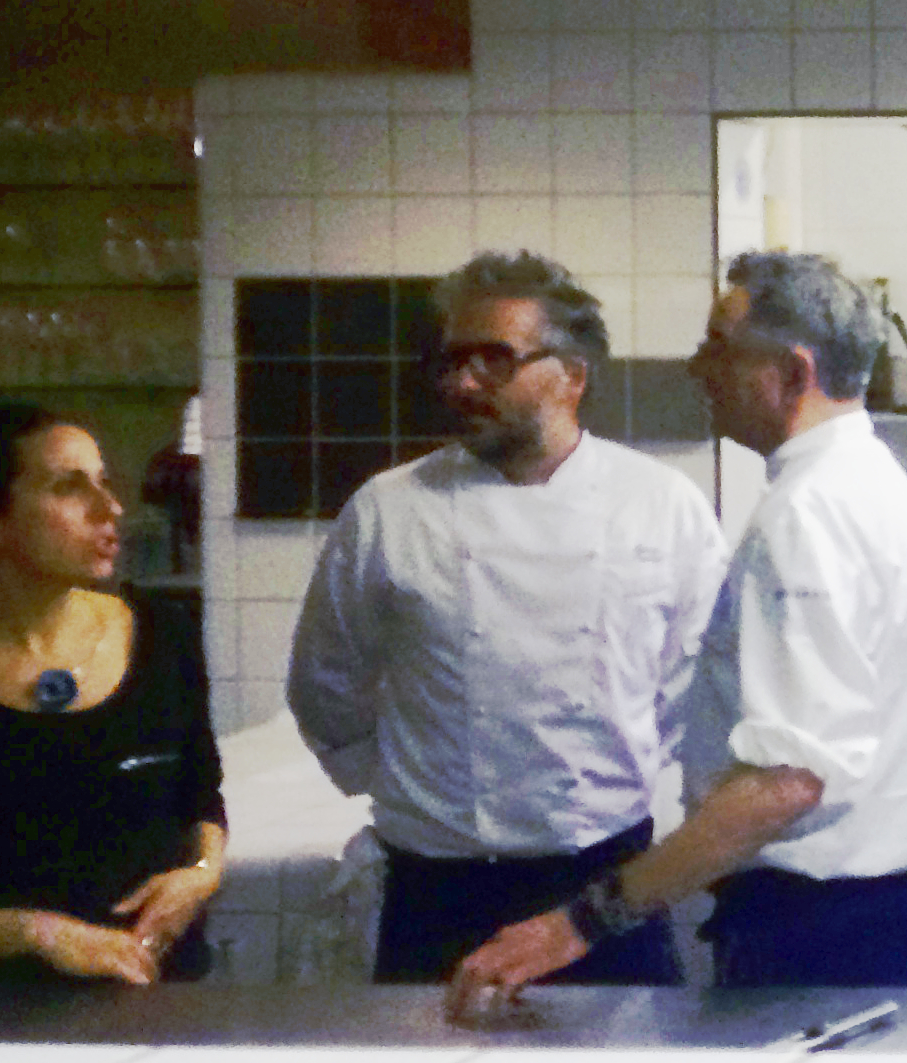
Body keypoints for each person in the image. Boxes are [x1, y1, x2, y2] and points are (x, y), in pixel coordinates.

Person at [449, 252, 907, 1003]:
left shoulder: (807, 515)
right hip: (891, 914)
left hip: (830, 930)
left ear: (792, 373)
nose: (697, 368)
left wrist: (583, 921)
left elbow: (786, 782)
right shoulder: (866, 479)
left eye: (719, 348)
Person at [286, 251, 725, 985]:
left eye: (493, 361)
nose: (462, 384)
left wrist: (614, 771)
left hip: (601, 884)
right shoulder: (389, 510)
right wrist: (412, 784)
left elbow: (695, 686)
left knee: (624, 1061)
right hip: (437, 887)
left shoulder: (661, 505)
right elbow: (325, 683)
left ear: (572, 375)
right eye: (452, 362)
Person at [0, 403, 226, 983]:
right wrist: (35, 933)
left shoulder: (162, 634)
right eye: (69, 488)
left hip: (161, 999)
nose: (110, 508)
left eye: (104, 483)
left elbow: (202, 798)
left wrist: (200, 873)